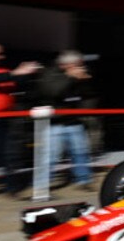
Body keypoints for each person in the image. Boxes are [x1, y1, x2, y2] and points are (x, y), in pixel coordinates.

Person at [37, 50, 96, 191]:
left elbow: (89, 95)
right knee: (50, 155)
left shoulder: (79, 75)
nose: (81, 67)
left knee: (80, 152)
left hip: (74, 120)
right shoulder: (50, 73)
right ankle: (42, 185)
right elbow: (53, 91)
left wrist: (85, 81)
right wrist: (70, 78)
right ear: (68, 64)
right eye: (78, 64)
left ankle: (84, 180)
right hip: (55, 122)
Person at [0, 42, 41, 195]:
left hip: (4, 120)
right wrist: (15, 73)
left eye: (1, 53)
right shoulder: (3, 73)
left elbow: (14, 85)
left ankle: (12, 188)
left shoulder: (3, 70)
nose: (1, 56)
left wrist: (26, 73)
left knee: (9, 156)